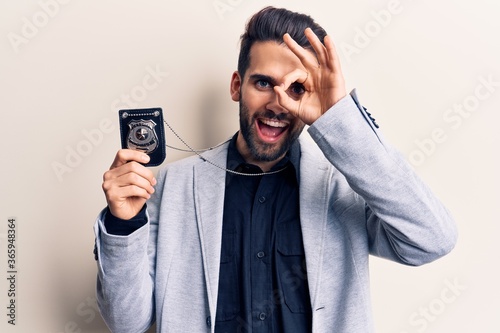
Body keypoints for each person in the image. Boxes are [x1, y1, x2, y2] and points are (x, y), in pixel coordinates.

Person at [94, 6, 457, 333]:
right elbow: (127, 323)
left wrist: (340, 117)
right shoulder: (171, 187)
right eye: (263, 83)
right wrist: (123, 222)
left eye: (297, 88)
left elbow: (431, 240)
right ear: (237, 86)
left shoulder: (344, 186)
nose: (278, 103)